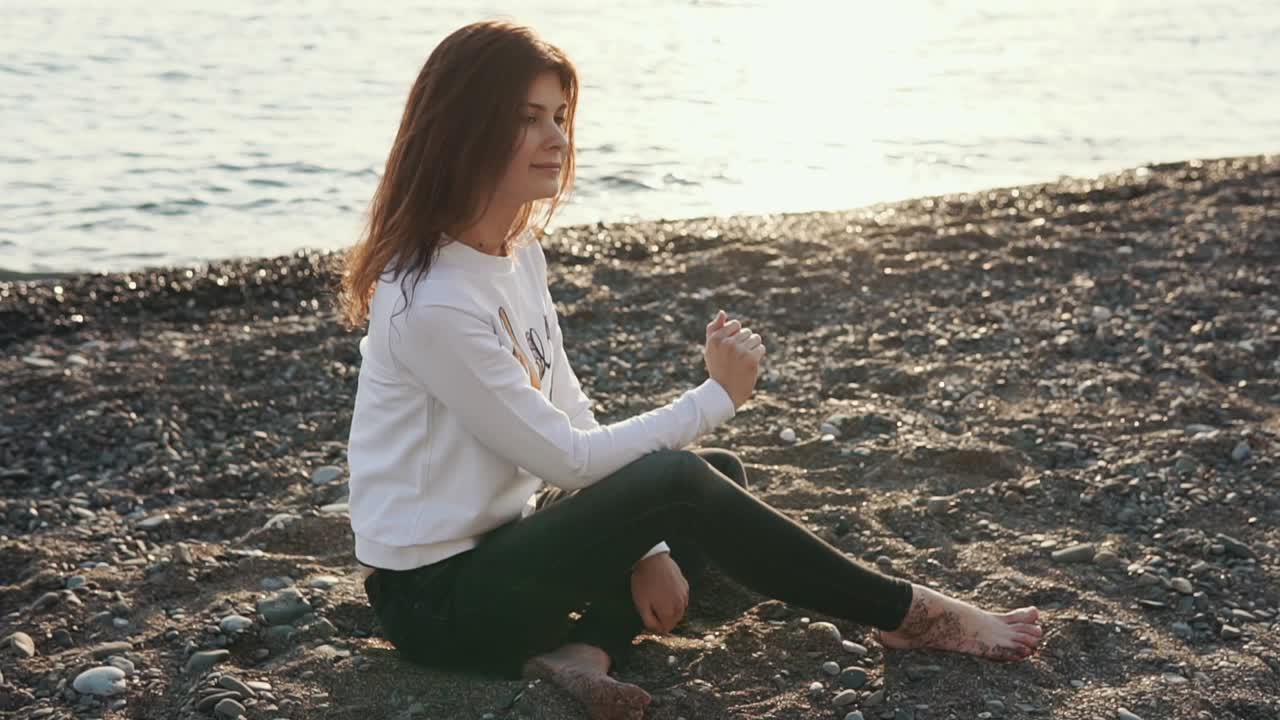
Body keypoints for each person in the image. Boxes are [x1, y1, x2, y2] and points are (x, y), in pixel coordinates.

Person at [336, 19, 1043, 720]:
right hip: (437, 604)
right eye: (527, 119)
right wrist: (712, 399)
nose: (557, 138)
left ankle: (584, 651)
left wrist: (650, 542)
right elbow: (568, 459)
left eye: (559, 116)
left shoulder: (517, 253)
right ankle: (906, 612)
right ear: (463, 129)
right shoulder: (431, 301)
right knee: (674, 480)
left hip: (503, 557)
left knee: (711, 481)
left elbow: (570, 411)